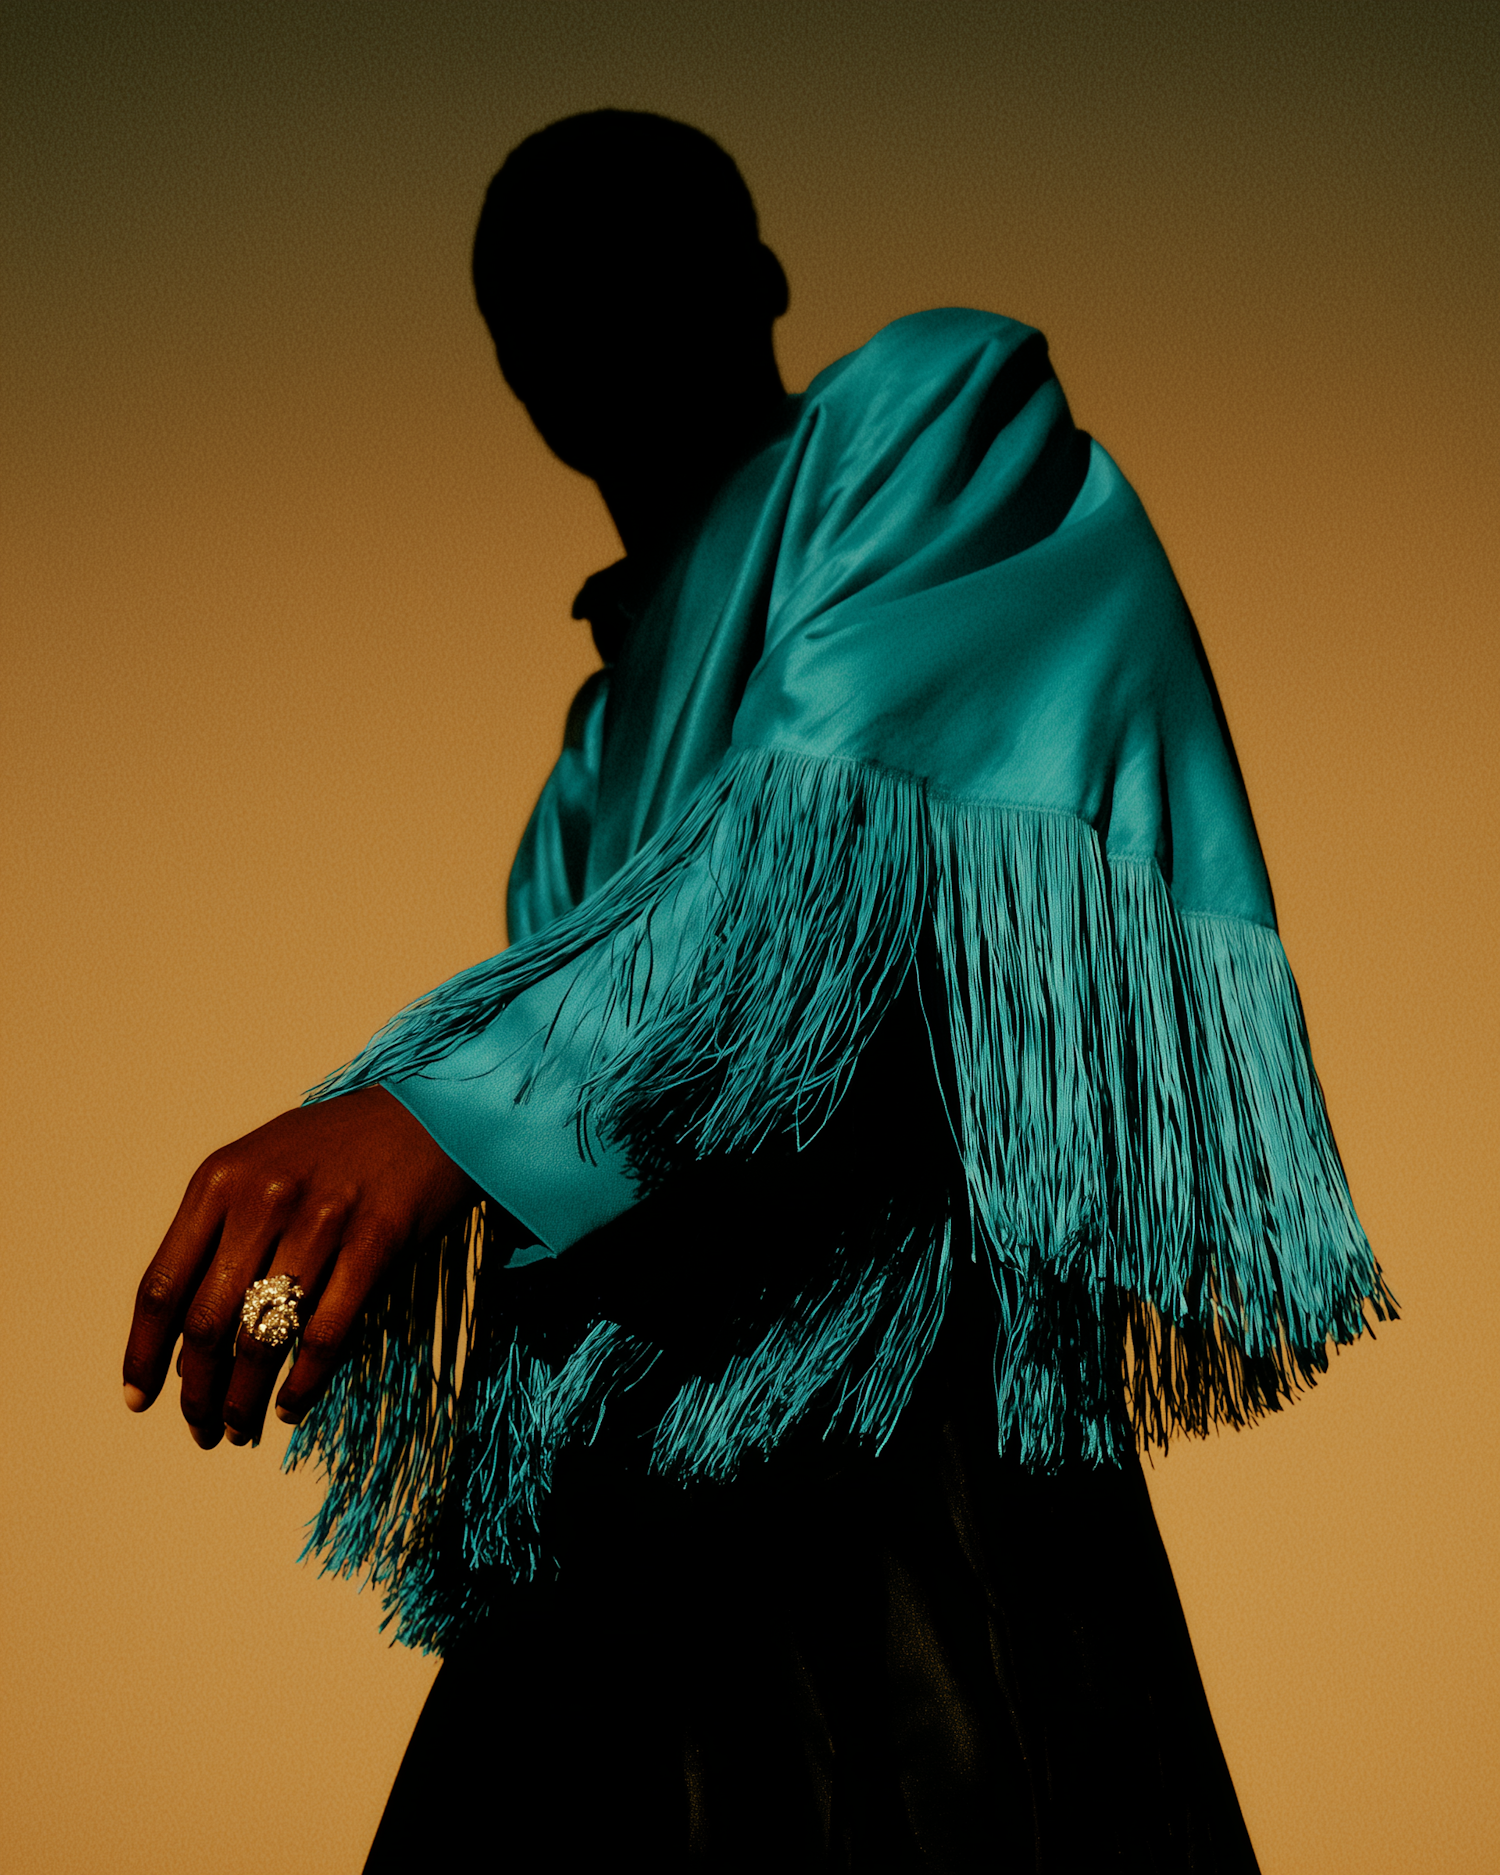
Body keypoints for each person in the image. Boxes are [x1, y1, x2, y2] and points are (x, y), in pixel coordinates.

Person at [123, 111, 1394, 1870]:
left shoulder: (930, 413)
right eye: (531, 295)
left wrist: (437, 1113)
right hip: (632, 1538)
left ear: (763, 276)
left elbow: (834, 856)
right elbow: (613, 1163)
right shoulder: (590, 748)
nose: (581, 304)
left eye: (636, 246)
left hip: (893, 1493)